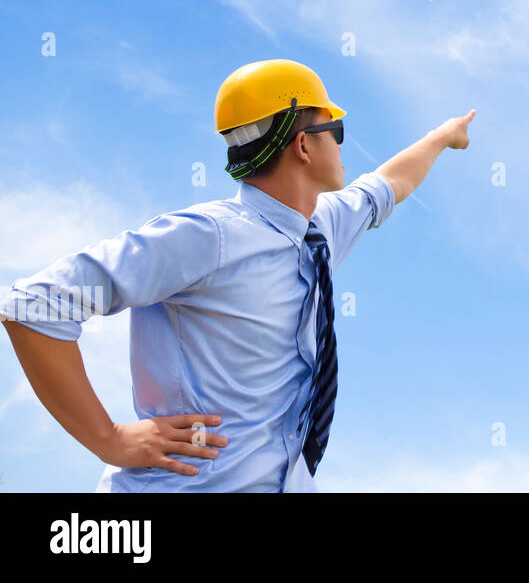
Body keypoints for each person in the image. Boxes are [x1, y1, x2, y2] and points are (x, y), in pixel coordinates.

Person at [0, 59, 474, 492]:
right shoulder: (208, 237)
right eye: (337, 129)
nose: (343, 143)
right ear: (303, 145)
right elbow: (33, 305)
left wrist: (443, 135)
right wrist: (109, 438)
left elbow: (388, 185)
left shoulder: (319, 228)